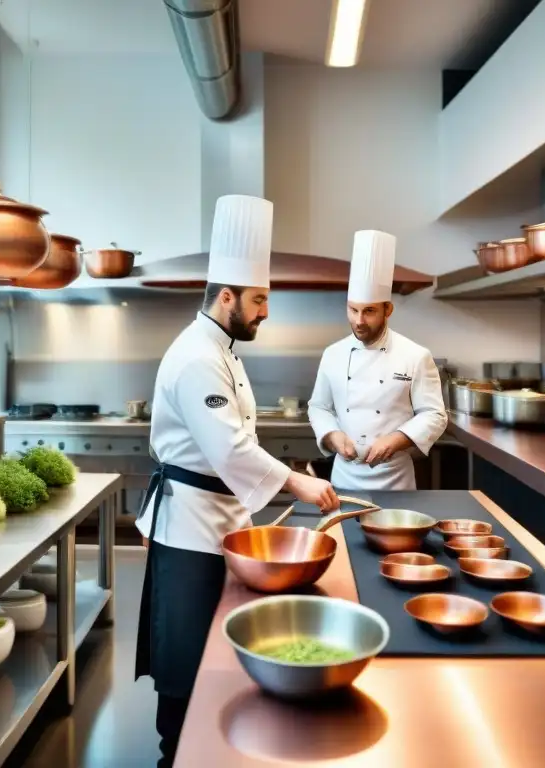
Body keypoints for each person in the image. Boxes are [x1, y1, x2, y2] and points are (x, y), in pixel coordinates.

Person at [134, 194, 340, 767]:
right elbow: (229, 446)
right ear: (226, 296)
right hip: (191, 524)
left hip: (218, 516)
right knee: (184, 654)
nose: (264, 312)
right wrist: (297, 484)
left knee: (208, 645)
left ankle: (204, 745)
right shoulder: (197, 356)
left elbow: (233, 438)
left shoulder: (222, 348)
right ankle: (173, 752)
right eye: (258, 300)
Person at [308, 229, 448, 491]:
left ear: (388, 310)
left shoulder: (416, 355)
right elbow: (319, 407)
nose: (359, 321)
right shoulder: (333, 354)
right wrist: (332, 435)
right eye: (353, 310)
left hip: (394, 481)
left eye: (369, 311)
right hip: (343, 481)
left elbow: (434, 414)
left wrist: (397, 438)